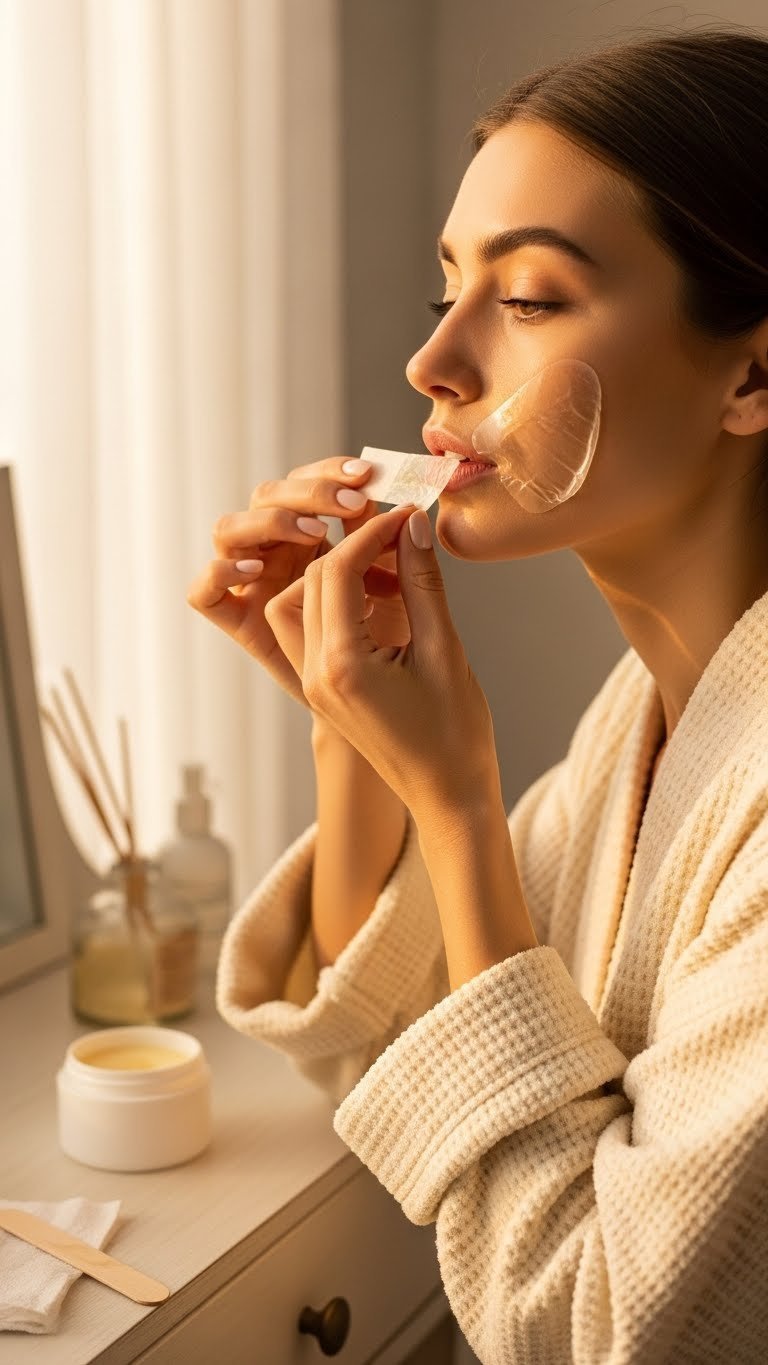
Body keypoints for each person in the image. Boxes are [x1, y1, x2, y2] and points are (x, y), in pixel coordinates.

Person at [186, 25, 768, 1364]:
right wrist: (356, 739)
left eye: (533, 298)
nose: (434, 362)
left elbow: (603, 1325)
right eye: (448, 285)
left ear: (751, 371)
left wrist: (454, 797)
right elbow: (418, 1061)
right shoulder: (646, 721)